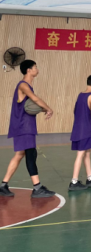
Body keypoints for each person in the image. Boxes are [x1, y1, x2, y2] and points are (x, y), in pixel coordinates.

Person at [1, 60, 55, 198]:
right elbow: (35, 100)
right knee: (31, 154)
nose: (37, 69)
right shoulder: (23, 85)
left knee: (20, 154)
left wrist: (43, 109)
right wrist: (48, 109)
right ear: (29, 70)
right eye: (35, 67)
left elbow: (31, 105)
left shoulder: (27, 85)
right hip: (23, 126)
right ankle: (37, 188)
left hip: (25, 125)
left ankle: (3, 185)